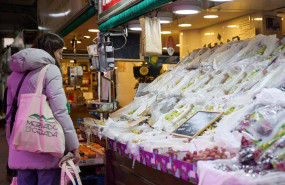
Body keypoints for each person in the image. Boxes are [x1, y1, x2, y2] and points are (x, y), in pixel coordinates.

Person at [6, 32, 80, 185]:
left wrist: (11, 140)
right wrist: (73, 145)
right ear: (51, 50)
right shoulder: (50, 70)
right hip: (46, 145)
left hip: (20, 143)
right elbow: (60, 112)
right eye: (59, 53)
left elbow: (9, 114)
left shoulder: (14, 74)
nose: (61, 58)